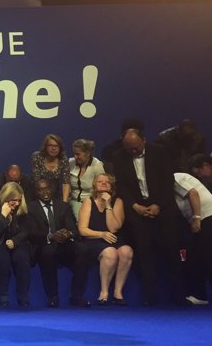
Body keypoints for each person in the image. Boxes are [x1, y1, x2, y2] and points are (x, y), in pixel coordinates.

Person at [112, 128, 184, 305]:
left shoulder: (160, 152)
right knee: (144, 255)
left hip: (163, 209)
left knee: (171, 251)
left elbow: (168, 181)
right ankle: (149, 297)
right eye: (129, 149)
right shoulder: (118, 157)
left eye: (135, 147)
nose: (133, 152)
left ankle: (178, 295)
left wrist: (158, 204)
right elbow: (121, 186)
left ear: (143, 140)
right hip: (137, 210)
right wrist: (135, 206)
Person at [28, 179, 90, 308]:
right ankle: (53, 296)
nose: (45, 192)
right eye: (40, 189)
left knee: (82, 249)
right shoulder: (31, 208)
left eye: (47, 188)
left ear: (52, 189)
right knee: (47, 252)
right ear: (36, 192)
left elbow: (73, 229)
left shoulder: (62, 205)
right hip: (44, 243)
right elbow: (31, 233)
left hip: (64, 243)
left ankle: (77, 296)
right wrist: (50, 236)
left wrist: (68, 234)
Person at [173, 172, 212, 307]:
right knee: (197, 257)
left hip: (209, 217)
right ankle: (199, 295)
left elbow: (193, 193)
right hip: (205, 219)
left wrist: (197, 218)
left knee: (211, 257)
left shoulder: (175, 177)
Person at [77, 173, 133, 305]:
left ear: (111, 186)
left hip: (113, 238)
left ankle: (118, 293)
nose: (103, 184)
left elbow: (113, 228)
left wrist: (108, 204)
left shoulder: (117, 201)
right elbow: (82, 229)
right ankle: (104, 292)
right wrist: (101, 234)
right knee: (111, 252)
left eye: (107, 182)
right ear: (94, 186)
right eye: (100, 182)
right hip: (94, 239)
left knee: (127, 251)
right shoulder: (88, 202)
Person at [0, 182, 31, 308]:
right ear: (5, 197)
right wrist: (3, 216)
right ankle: (3, 297)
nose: (16, 203)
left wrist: (15, 241)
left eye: (19, 200)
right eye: (13, 200)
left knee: (22, 260)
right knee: (1, 259)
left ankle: (23, 297)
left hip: (17, 242)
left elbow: (26, 230)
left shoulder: (22, 208)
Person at [68, 139, 105, 220]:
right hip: (74, 202)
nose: (75, 157)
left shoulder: (97, 166)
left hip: (92, 201)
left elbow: (102, 188)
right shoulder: (71, 163)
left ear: (87, 153)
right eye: (74, 154)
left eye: (78, 154)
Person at [31, 134, 70, 202]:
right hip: (38, 193)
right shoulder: (37, 157)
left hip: (56, 194)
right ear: (45, 146)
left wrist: (64, 202)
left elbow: (66, 182)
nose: (53, 148)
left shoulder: (63, 159)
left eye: (56, 146)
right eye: (50, 145)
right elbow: (37, 180)